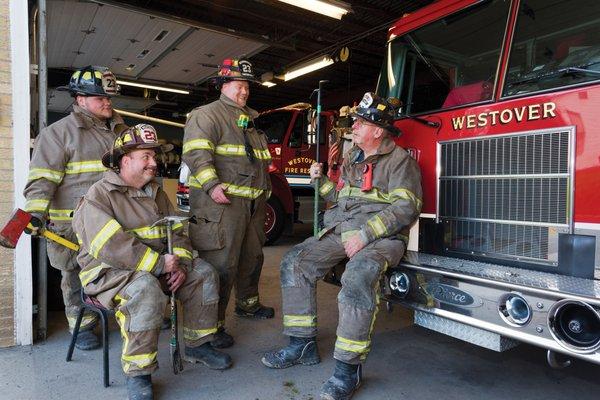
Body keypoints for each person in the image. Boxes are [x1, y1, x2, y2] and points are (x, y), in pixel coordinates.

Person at [261, 93, 423, 400]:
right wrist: (318, 182)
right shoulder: (353, 159)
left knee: (356, 277)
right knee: (295, 260)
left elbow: (407, 208)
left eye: (360, 123)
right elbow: (340, 200)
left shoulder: (401, 162)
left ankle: (348, 370)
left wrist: (365, 235)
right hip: (343, 231)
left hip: (382, 239)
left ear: (378, 130)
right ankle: (302, 344)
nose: (354, 128)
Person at [72, 125, 232, 400]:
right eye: (146, 156)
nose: (153, 163)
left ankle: (197, 345)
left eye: (153, 157)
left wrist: (180, 264)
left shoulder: (155, 191)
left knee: (204, 273)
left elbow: (177, 231)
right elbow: (111, 246)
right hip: (110, 274)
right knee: (145, 289)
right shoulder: (99, 196)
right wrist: (160, 265)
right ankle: (139, 372)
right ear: (125, 161)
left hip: (155, 266)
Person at [23, 65, 127, 350]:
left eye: (109, 97)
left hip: (116, 220)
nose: (107, 102)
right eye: (99, 98)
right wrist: (34, 212)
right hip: (72, 225)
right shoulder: (58, 134)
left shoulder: (122, 131)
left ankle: (129, 315)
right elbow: (42, 178)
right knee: (74, 277)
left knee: (122, 266)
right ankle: (82, 326)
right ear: (80, 99)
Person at [182, 58, 274, 348]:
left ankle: (247, 304)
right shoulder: (207, 115)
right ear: (223, 85)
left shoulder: (249, 121)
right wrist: (211, 185)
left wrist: (265, 191)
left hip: (251, 205)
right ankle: (213, 323)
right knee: (221, 264)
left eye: (247, 85)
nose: (244, 91)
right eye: (238, 85)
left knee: (251, 258)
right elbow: (196, 153)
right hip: (220, 206)